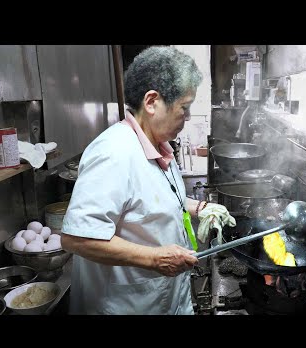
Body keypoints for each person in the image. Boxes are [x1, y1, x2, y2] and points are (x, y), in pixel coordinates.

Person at [61, 46, 234, 315]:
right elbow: (77, 238)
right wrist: (155, 258)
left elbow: (152, 199)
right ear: (152, 102)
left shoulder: (159, 145)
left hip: (165, 298)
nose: (187, 118)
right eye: (184, 108)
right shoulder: (114, 153)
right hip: (127, 304)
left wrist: (198, 207)